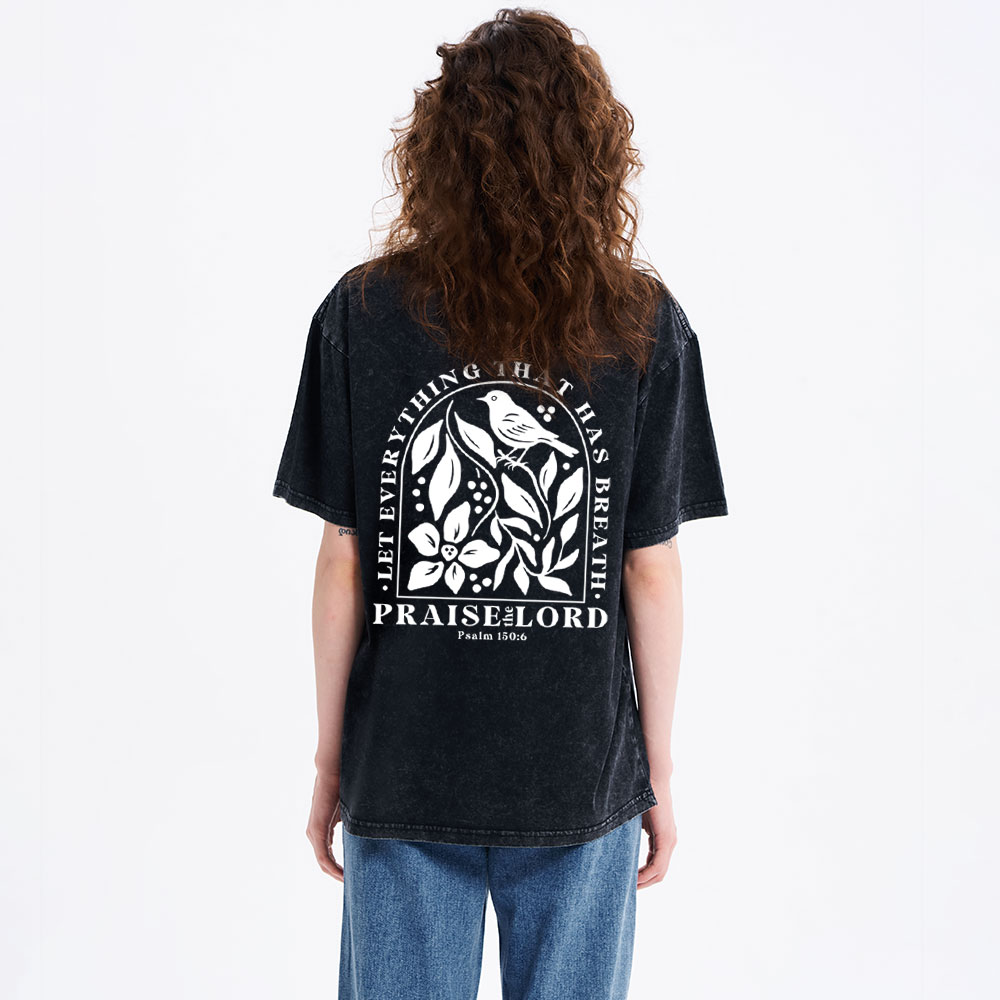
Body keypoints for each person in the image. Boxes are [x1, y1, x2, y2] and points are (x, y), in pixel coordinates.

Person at [271, 9, 728, 999]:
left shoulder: (362, 311)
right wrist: (653, 772)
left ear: (436, 150)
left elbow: (345, 556)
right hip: (578, 774)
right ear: (594, 150)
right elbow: (648, 563)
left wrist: (331, 762)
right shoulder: (641, 322)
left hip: (404, 767)